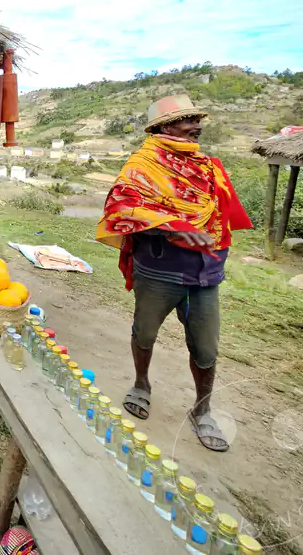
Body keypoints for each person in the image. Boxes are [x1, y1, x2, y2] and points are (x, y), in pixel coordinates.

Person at [96, 95, 252, 452]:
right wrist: (167, 228)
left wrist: (205, 235)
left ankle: (202, 410)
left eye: (197, 119)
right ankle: (141, 384)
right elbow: (121, 210)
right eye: (187, 120)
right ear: (165, 128)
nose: (196, 125)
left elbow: (220, 214)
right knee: (145, 332)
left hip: (205, 274)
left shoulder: (209, 167)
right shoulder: (143, 166)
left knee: (206, 347)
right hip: (159, 271)